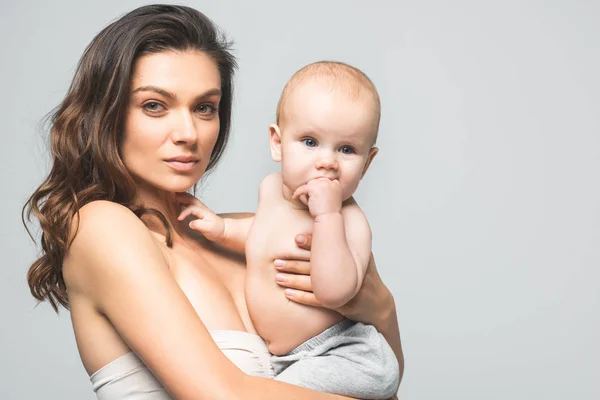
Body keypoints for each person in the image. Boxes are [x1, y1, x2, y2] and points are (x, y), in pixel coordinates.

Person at [22, 4, 404, 399]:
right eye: (155, 105)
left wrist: (381, 309)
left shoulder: (250, 231)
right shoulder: (102, 228)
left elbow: (379, 377)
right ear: (107, 114)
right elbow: (224, 395)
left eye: (204, 107)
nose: (188, 132)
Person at [177, 61, 399, 398]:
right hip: (292, 359)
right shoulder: (270, 190)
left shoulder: (349, 221)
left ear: (367, 164)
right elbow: (263, 236)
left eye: (347, 149)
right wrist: (223, 229)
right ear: (277, 143)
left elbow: (336, 292)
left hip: (344, 353)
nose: (327, 161)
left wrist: (327, 217)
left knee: (265, 393)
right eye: (310, 142)